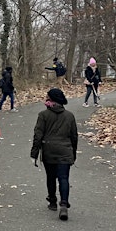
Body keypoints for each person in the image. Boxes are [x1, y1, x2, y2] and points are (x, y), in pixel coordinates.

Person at [31, 87, 79, 220]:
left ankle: (52, 201)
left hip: (49, 150)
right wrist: (73, 153)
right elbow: (74, 136)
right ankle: (64, 204)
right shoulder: (69, 116)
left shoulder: (43, 115)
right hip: (65, 151)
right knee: (64, 178)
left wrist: (34, 153)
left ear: (51, 99)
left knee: (51, 177)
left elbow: (38, 135)